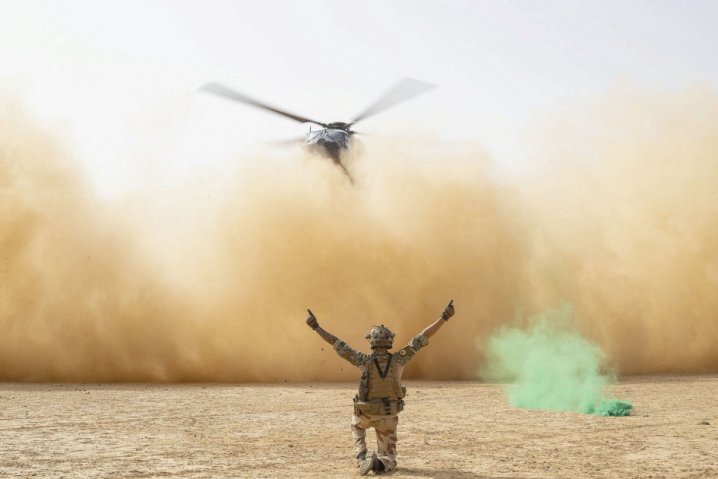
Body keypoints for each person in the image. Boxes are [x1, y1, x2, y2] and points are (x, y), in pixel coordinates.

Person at [305, 300, 455, 475]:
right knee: (389, 460)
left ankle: (362, 457)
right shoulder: (400, 359)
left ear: (372, 343)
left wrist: (316, 327)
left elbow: (337, 344)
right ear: (389, 341)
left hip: (365, 414)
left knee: (356, 426)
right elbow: (423, 337)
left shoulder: (362, 360)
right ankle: (377, 464)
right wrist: (444, 317)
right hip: (387, 417)